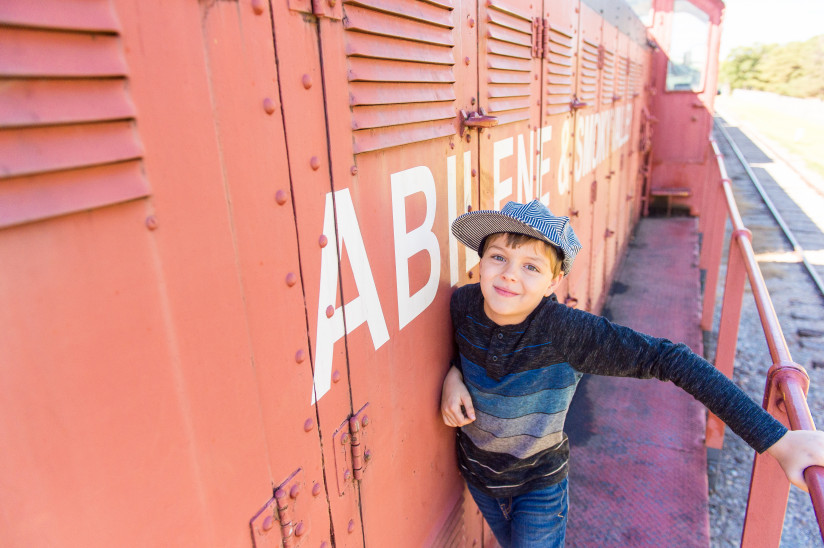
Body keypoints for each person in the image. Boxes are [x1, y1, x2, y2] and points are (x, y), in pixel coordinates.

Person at [441, 199, 824, 548]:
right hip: (480, 476)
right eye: (498, 257)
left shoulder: (567, 332)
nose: (508, 275)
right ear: (481, 260)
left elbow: (670, 359)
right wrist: (453, 375)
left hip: (537, 486)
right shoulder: (464, 303)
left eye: (530, 266)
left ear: (552, 282)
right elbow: (467, 349)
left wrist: (776, 441)